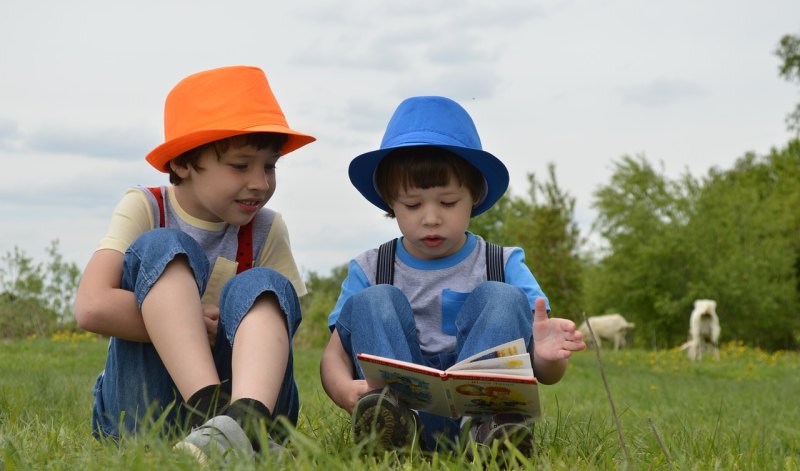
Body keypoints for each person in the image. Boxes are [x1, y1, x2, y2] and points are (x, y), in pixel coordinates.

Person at [74, 65, 315, 462]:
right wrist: (184, 322)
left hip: (250, 396)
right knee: (163, 246)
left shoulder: (267, 228)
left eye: (270, 166)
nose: (260, 182)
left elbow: (281, 322)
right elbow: (92, 305)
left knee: (264, 285)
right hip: (146, 410)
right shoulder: (146, 207)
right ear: (183, 163)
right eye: (241, 165)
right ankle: (216, 418)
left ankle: (246, 422)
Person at [320, 96, 586, 454]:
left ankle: (490, 435)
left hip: (481, 408)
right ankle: (393, 432)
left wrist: (548, 360)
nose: (431, 218)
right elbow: (334, 355)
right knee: (373, 300)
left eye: (447, 203)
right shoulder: (370, 268)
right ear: (390, 201)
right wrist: (342, 389)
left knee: (503, 297)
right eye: (413, 205)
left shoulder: (503, 263)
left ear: (474, 195)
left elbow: (544, 371)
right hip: (401, 406)